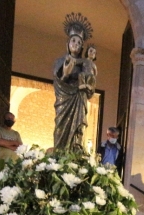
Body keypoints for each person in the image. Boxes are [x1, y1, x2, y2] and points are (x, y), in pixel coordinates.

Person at [53, 13, 94, 151]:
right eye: (73, 41)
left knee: (78, 129)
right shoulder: (59, 61)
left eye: (79, 43)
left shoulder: (85, 64)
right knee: (60, 127)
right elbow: (58, 83)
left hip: (78, 99)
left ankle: (75, 154)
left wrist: (87, 82)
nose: (75, 44)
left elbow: (89, 89)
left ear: (82, 47)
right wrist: (65, 74)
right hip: (64, 100)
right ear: (68, 44)